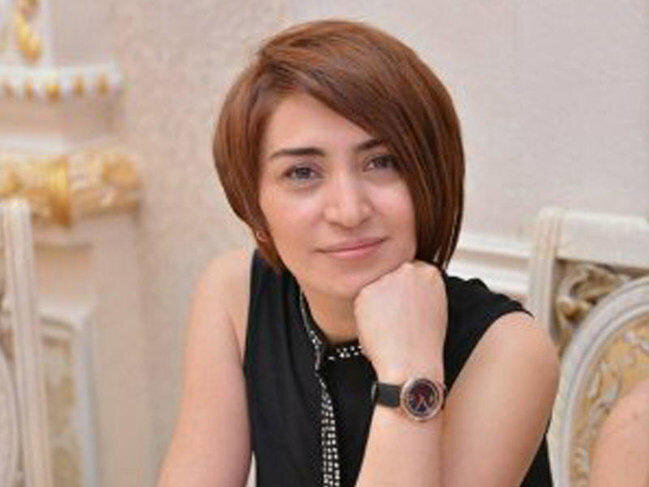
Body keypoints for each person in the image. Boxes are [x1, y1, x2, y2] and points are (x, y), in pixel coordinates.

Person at [156, 18, 560, 487]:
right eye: (302, 173)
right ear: (253, 201)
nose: (349, 211)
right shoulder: (235, 295)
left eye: (382, 162)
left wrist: (409, 372)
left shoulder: (508, 349)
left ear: (431, 177)